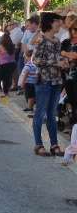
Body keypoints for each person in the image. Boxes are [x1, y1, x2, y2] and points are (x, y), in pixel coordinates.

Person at [32, 12, 65, 157]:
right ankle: (38, 145)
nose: (60, 24)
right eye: (57, 21)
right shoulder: (41, 40)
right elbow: (35, 60)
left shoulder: (57, 41)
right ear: (50, 23)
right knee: (40, 113)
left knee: (52, 114)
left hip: (56, 81)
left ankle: (54, 145)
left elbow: (57, 58)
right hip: (44, 81)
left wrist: (64, 62)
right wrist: (56, 62)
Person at [61, 24, 77, 126]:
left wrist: (65, 54)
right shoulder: (66, 42)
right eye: (72, 29)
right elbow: (60, 52)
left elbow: (75, 55)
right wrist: (69, 56)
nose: (74, 31)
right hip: (67, 75)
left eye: (76, 29)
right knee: (71, 100)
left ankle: (74, 124)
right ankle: (72, 124)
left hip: (75, 75)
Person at [0, 32, 17, 97]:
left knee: (4, 79)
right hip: (12, 64)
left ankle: (5, 92)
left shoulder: (0, 47)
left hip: (3, 64)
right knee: (9, 77)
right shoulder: (12, 46)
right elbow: (14, 55)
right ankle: (7, 92)